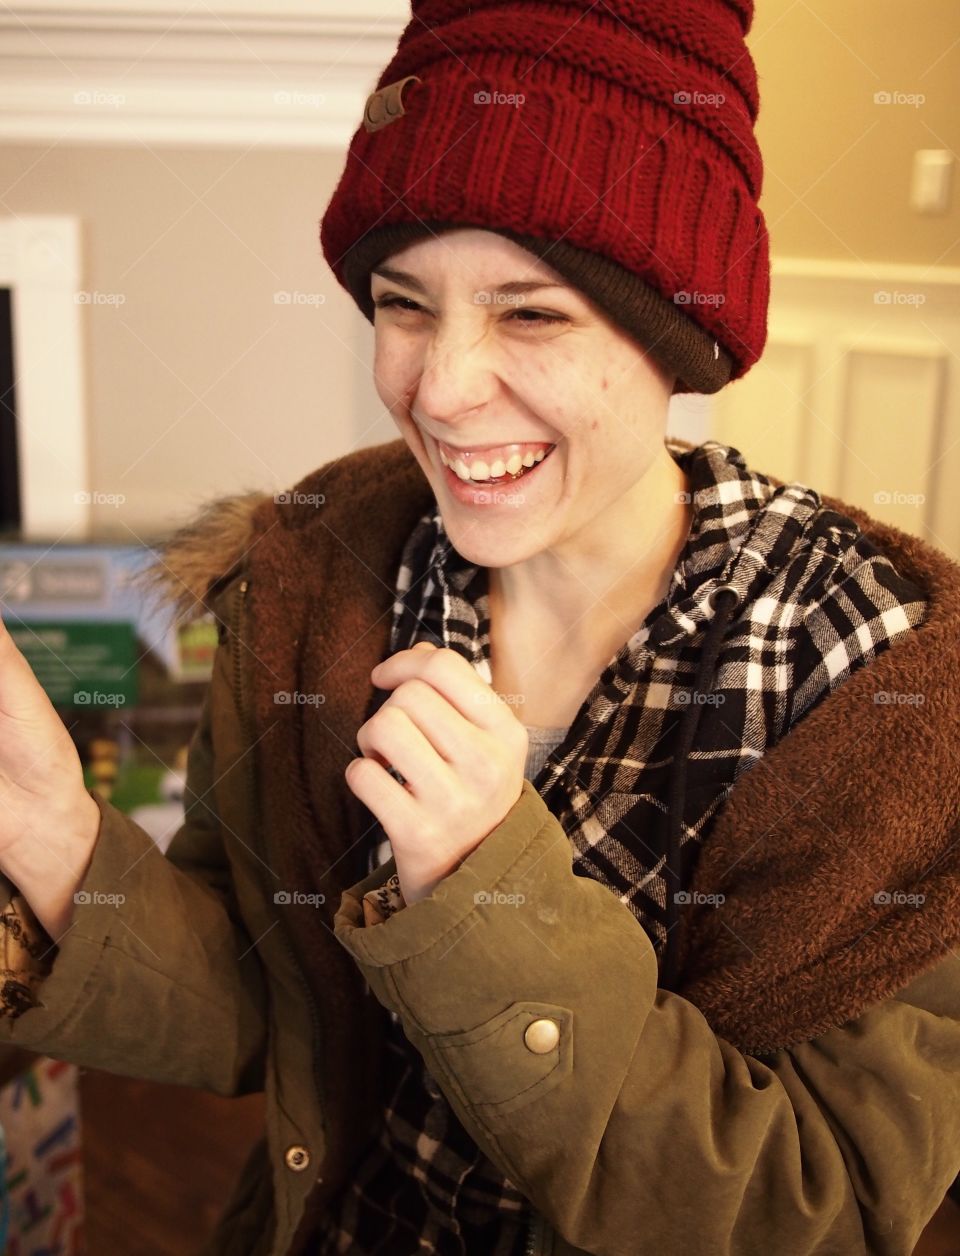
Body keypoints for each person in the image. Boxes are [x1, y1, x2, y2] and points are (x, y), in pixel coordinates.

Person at [0, 2, 958, 1255]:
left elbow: (806, 1200)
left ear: (679, 337)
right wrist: (54, 831)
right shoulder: (314, 585)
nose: (440, 389)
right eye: (404, 303)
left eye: (533, 314)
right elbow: (266, 1000)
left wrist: (482, 887)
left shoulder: (884, 699)